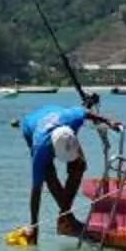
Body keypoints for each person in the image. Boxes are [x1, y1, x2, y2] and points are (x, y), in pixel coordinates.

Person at [15, 96, 120, 240]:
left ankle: (64, 218)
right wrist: (34, 226)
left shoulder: (73, 119)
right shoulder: (41, 148)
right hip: (31, 126)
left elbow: (85, 112)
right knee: (49, 175)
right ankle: (67, 219)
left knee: (80, 165)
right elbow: (36, 190)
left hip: (57, 117)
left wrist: (108, 121)